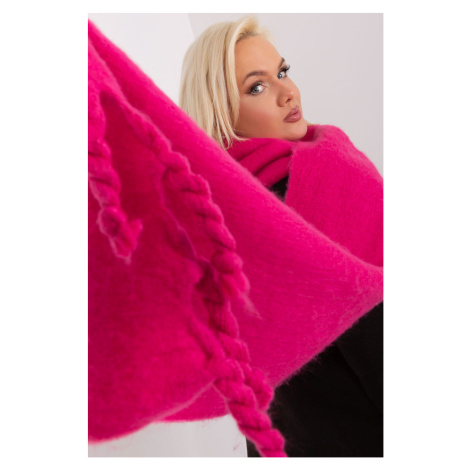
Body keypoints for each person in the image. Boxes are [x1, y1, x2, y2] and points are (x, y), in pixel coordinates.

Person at [179, 16, 383, 457]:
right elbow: (378, 338)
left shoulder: (209, 221)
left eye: (283, 72)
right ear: (222, 115)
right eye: (257, 87)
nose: (288, 92)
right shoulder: (326, 179)